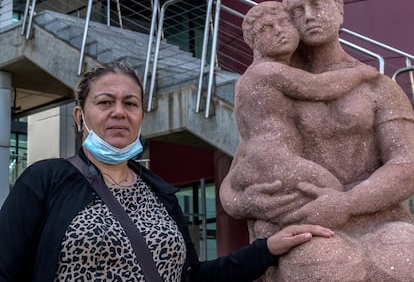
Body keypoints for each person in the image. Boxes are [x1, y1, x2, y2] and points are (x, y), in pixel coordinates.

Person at [0, 62, 335, 282]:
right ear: (79, 116)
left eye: (130, 103)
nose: (119, 112)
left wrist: (266, 249)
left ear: (141, 116)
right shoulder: (45, 180)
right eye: (105, 102)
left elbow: (191, 276)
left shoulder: (160, 192)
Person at [223, 0, 414, 281]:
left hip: (379, 219)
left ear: (339, 10)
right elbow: (245, 166)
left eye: (318, 4)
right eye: (297, 11)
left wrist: (347, 204)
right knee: (324, 265)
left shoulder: (379, 87)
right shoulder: (273, 84)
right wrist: (243, 201)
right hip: (304, 223)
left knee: (406, 257)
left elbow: (406, 165)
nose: (309, 16)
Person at [219, 0, 378, 240]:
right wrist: (360, 73)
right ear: (253, 43)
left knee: (301, 199)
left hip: (257, 158)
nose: (279, 31)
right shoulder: (266, 71)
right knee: (331, 190)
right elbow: (317, 87)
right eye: (266, 29)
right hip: (274, 157)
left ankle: (276, 230)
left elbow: (248, 143)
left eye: (284, 23)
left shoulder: (253, 78)